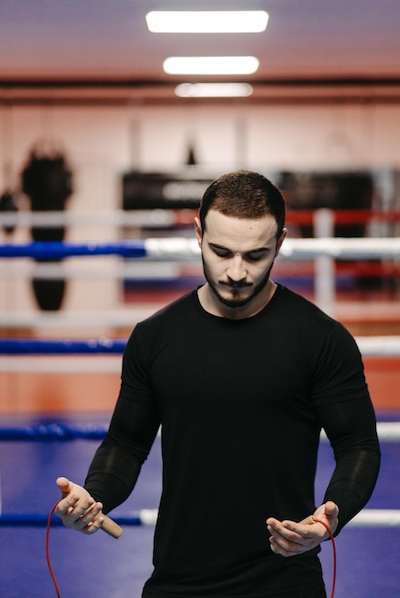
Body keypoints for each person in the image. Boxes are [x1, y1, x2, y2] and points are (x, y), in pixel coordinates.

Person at [56, 170, 380, 598]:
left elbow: (358, 445)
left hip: (285, 579)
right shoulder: (155, 337)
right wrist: (94, 495)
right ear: (198, 233)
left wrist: (329, 516)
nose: (236, 272)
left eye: (256, 255)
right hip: (178, 578)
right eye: (221, 252)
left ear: (280, 243)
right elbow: (126, 443)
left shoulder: (321, 340)